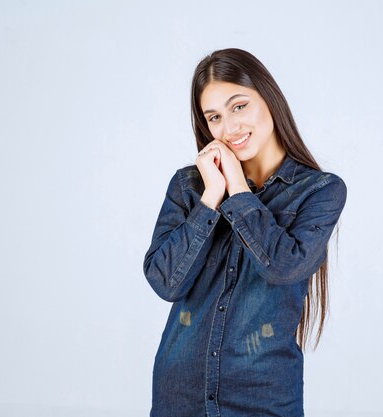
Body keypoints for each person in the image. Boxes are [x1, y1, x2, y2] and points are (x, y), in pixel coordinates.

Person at [143, 47, 347, 417]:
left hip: (263, 397)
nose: (229, 128)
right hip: (179, 394)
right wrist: (210, 199)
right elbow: (165, 282)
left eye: (239, 107)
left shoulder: (320, 191)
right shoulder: (189, 186)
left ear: (268, 98)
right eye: (214, 117)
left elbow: (282, 268)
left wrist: (237, 189)